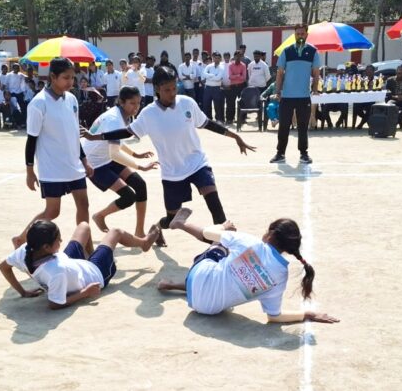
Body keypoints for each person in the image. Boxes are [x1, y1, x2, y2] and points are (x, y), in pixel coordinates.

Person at [82, 66, 255, 245]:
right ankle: (156, 227)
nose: (172, 93)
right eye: (167, 90)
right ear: (157, 89)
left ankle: (225, 245)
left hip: (197, 163)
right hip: (172, 172)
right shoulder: (148, 113)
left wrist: (234, 136)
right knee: (171, 219)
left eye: (174, 88)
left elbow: (206, 123)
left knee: (213, 201)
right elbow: (126, 133)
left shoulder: (187, 103)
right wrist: (96, 136)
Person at [156, 209, 339, 324]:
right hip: (208, 309)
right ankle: (171, 285)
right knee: (228, 274)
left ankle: (179, 223)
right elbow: (274, 317)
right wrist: (306, 314)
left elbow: (207, 233)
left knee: (221, 246)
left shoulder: (251, 243)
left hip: (198, 277)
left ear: (270, 234)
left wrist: (224, 227)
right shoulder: (281, 276)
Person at [13, 57, 94, 248]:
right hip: (52, 168)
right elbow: (31, 140)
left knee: (83, 205)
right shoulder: (38, 103)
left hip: (74, 165)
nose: (70, 82)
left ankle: (85, 247)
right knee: (52, 212)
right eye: (66, 78)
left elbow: (74, 133)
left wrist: (84, 161)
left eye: (72, 78)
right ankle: (21, 238)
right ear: (53, 77)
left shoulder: (72, 99)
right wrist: (30, 171)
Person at [0, 220, 160, 309]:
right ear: (46, 247)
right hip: (94, 273)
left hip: (67, 261)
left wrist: (23, 292)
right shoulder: (56, 271)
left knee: (84, 226)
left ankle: (91, 254)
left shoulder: (25, 250)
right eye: (58, 240)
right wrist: (85, 292)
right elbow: (55, 303)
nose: (61, 241)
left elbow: (3, 267)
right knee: (116, 232)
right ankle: (144, 243)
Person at [83, 86, 159, 237]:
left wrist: (135, 154)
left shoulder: (122, 115)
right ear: (121, 102)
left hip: (107, 158)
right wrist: (140, 166)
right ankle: (100, 216)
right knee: (128, 196)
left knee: (140, 185)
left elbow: (115, 141)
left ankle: (139, 231)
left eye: (138, 103)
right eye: (132, 103)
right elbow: (114, 153)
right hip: (95, 164)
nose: (136, 107)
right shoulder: (114, 119)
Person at [271, 24, 321, 165]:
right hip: (286, 96)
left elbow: (316, 73)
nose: (300, 36)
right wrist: (277, 91)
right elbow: (280, 73)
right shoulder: (286, 51)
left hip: (304, 96)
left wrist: (315, 89)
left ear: (306, 35)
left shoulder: (313, 52)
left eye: (302, 34)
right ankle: (280, 154)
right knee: (284, 126)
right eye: (297, 34)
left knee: (303, 126)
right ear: (294, 35)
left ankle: (304, 154)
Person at [201, 52, 225, 121]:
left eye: (218, 58)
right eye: (215, 58)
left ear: (220, 59)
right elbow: (204, 74)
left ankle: (219, 120)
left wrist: (209, 76)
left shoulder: (222, 67)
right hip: (208, 88)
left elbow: (218, 78)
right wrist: (213, 75)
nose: (216, 59)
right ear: (213, 58)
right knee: (206, 104)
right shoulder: (209, 66)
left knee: (217, 105)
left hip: (216, 89)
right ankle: (208, 119)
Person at [226, 51, 247, 125]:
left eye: (240, 56)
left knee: (242, 102)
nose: (238, 58)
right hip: (233, 86)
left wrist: (235, 75)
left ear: (241, 57)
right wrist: (238, 75)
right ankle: (230, 119)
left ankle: (242, 119)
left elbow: (244, 78)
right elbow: (230, 77)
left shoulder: (243, 65)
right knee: (230, 103)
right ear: (234, 57)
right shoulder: (230, 65)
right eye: (237, 56)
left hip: (241, 86)